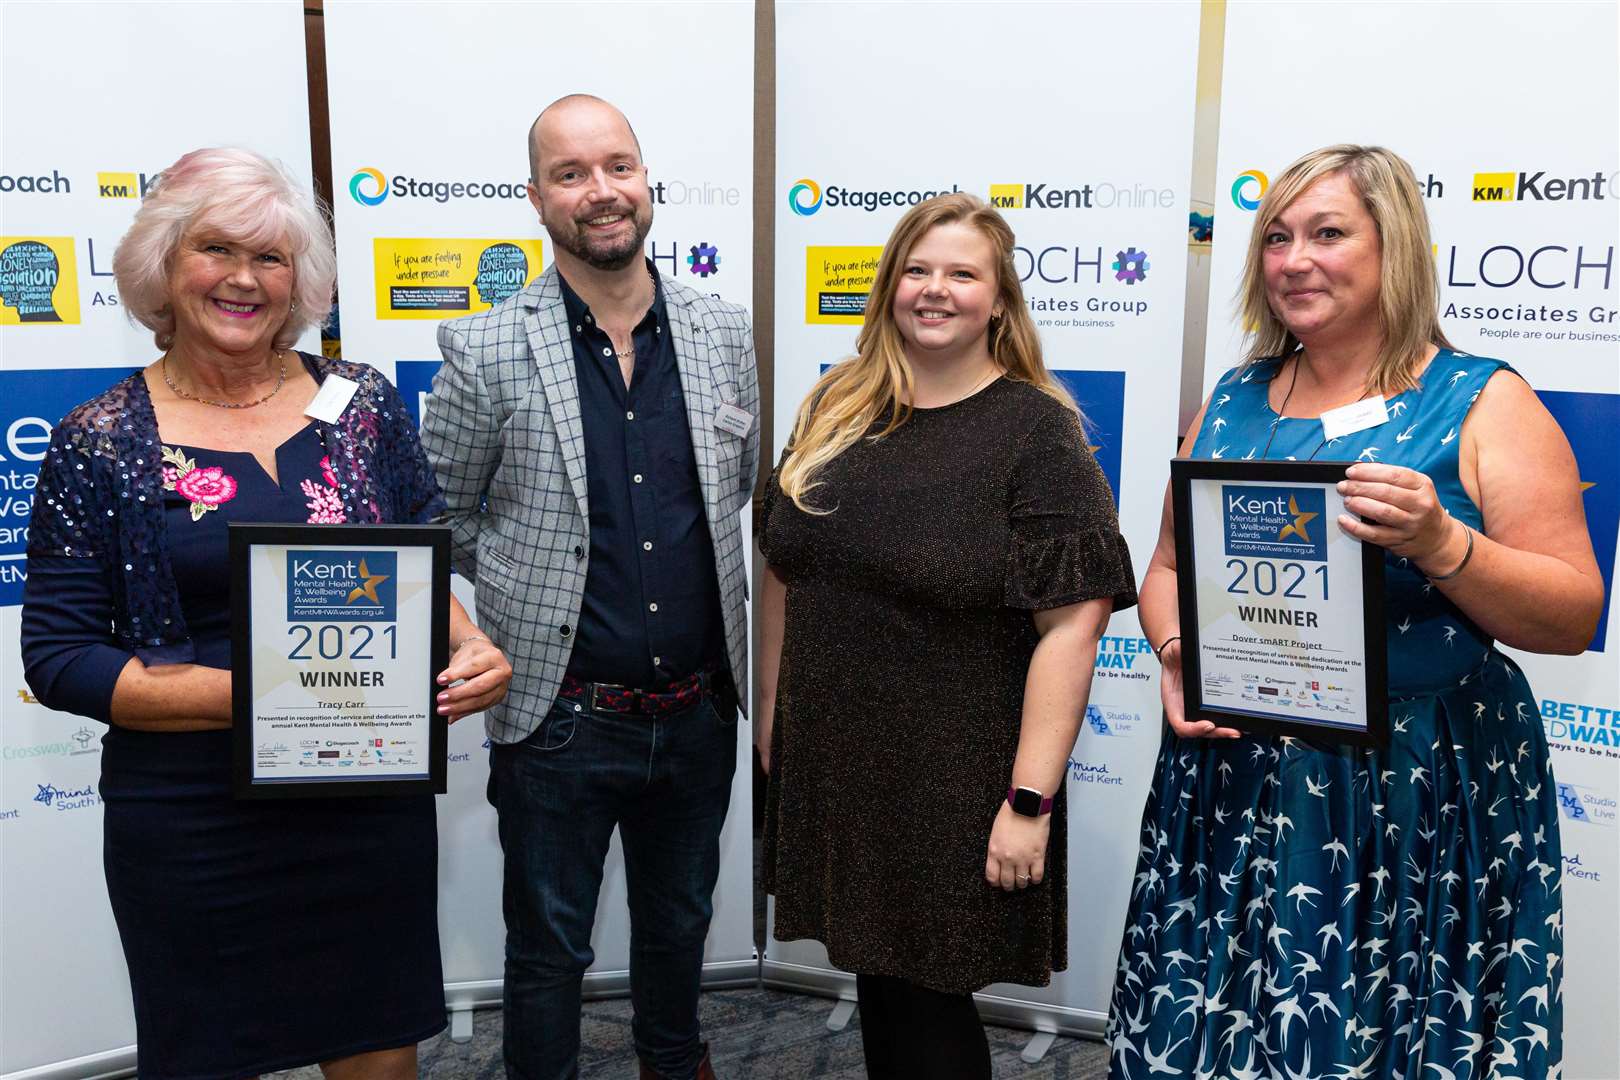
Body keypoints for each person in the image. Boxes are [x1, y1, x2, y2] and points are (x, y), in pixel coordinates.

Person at [1106, 145, 1602, 1079]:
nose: (1295, 260)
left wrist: (1440, 543)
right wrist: (1176, 652)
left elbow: (1572, 614)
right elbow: (1168, 567)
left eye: (1328, 234)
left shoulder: (1483, 400)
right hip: (1230, 781)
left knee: (1380, 1034)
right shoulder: (1234, 396)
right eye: (1277, 238)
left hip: (1412, 794)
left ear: (1394, 250)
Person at [19, 147, 512, 1079]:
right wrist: (275, 701)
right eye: (215, 249)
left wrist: (471, 641)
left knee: (377, 1053)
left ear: (301, 282)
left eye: (272, 257)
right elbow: (57, 657)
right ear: (164, 266)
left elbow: (414, 560)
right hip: (192, 822)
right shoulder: (98, 439)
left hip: (363, 805)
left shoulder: (361, 404)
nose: (244, 278)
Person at [758, 193, 1137, 1079]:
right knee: (882, 988)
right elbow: (785, 563)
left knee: (930, 1007)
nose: (935, 290)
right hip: (841, 758)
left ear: (999, 299)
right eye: (917, 270)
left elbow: (1072, 631)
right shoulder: (836, 406)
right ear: (890, 286)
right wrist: (773, 712)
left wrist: (1030, 803)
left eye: (962, 274)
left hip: (956, 779)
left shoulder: (1037, 432)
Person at [419, 95, 758, 1080]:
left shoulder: (721, 330)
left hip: (700, 711)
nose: (600, 191)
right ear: (536, 198)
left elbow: (731, 493)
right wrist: (528, 581)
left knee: (678, 933)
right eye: (570, 174)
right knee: (549, 953)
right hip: (559, 713)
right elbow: (439, 518)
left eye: (618, 166)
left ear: (646, 180)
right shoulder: (485, 346)